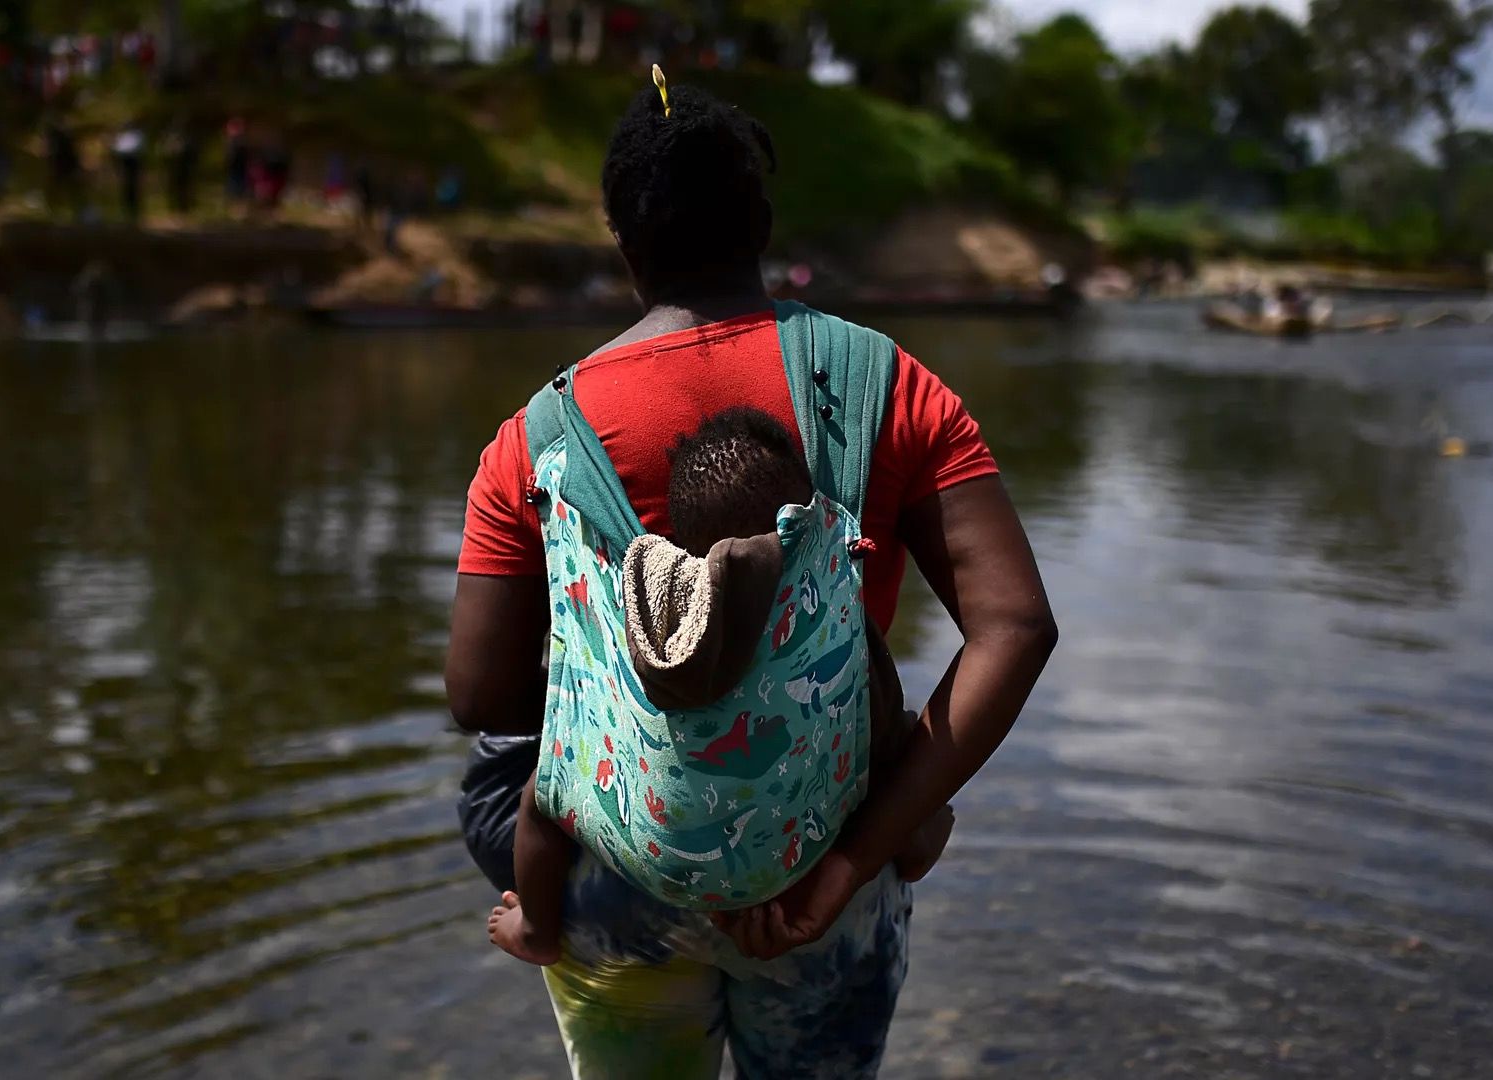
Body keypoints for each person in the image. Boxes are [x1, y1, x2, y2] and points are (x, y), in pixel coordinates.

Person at [448, 74, 1055, 1078]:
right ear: (763, 223)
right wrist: (866, 852)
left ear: (622, 238)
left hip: (617, 870)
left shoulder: (535, 440)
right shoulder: (888, 386)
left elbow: (480, 694)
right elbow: (1016, 629)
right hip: (825, 860)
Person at [487, 406, 954, 967]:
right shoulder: (820, 616)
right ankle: (916, 843)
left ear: (683, 540)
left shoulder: (653, 610)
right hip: (803, 858)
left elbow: (476, 697)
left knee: (544, 792)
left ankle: (536, 929)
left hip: (651, 866)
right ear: (801, 523)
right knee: (888, 733)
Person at [112, 123, 145, 223]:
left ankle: (134, 211)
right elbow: (118, 149)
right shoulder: (125, 137)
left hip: (133, 163)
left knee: (133, 187)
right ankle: (128, 210)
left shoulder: (136, 135)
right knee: (126, 187)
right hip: (125, 163)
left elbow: (136, 149)